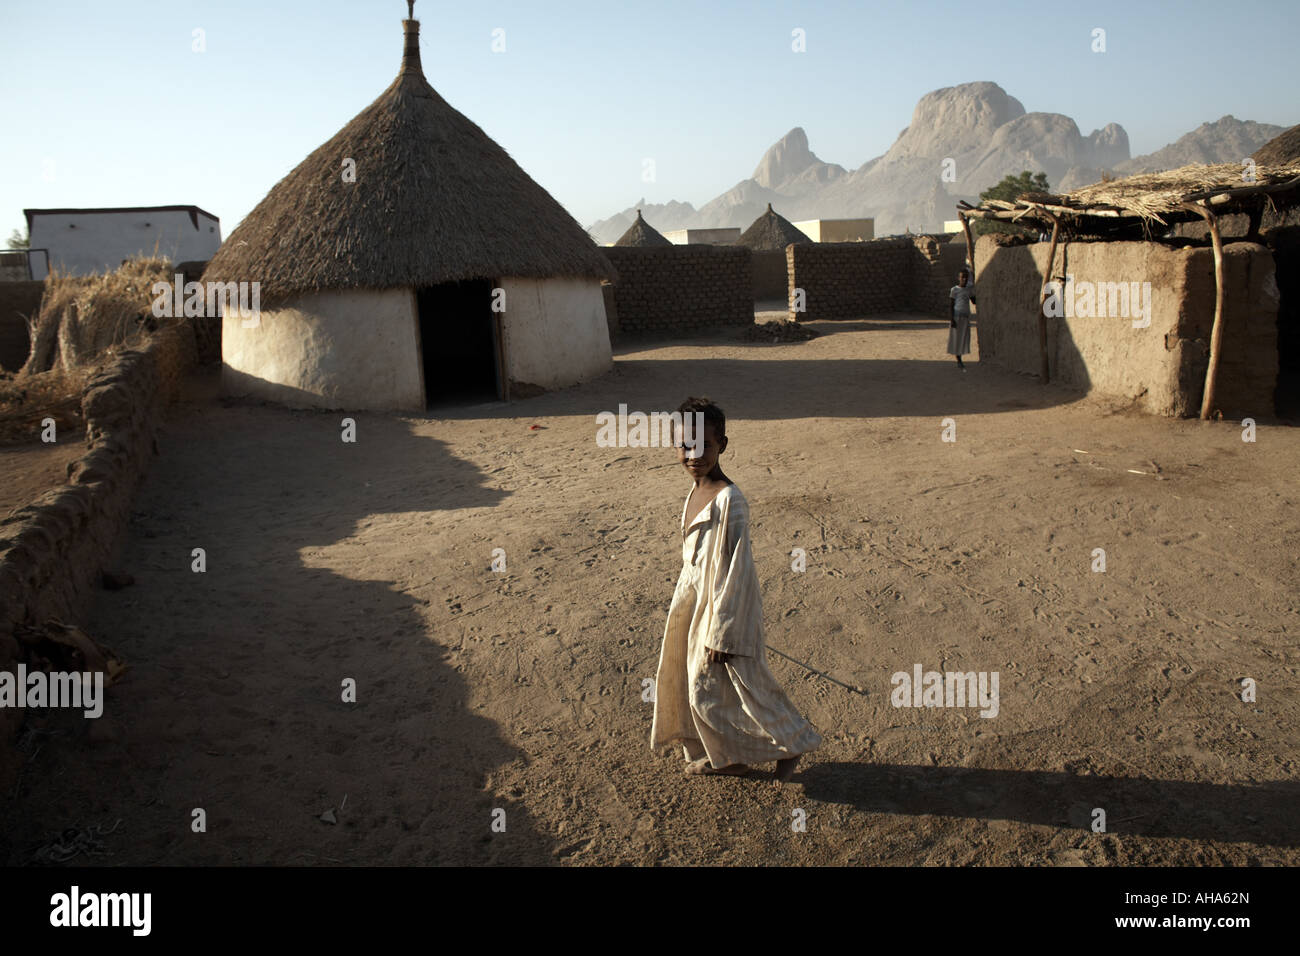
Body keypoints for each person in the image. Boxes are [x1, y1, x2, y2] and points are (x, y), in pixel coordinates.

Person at [650, 396, 822, 784]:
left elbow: (737, 568)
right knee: (701, 687)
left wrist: (723, 630)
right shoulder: (695, 493)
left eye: (705, 445)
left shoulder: (731, 500)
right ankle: (725, 758)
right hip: (695, 602)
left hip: (726, 609)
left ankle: (793, 744)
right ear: (675, 446)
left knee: (745, 687)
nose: (695, 454)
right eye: (685, 445)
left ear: (722, 445)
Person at [949, 269, 976, 371]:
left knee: (964, 339)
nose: (964, 279)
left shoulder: (968, 290)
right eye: (962, 277)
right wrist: (952, 319)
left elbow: (974, 301)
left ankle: (960, 357)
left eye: (966, 277)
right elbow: (951, 305)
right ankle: (959, 359)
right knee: (958, 339)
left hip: (965, 317)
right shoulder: (954, 290)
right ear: (958, 278)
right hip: (957, 317)